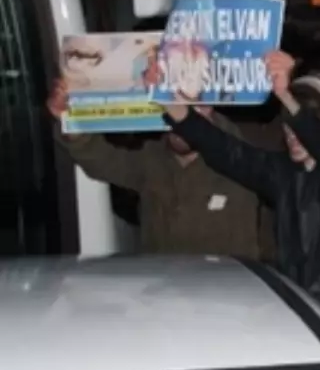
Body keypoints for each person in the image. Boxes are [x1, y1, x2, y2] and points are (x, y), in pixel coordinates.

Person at [161, 50, 320, 346]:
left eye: (299, 122)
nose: (290, 133)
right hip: (300, 325)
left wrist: (286, 94)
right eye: (286, 124)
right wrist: (173, 107)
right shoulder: (284, 174)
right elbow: (228, 152)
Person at [45, 79, 263, 258]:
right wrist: (69, 118)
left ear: (208, 109)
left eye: (189, 110)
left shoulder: (246, 160)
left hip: (229, 300)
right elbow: (102, 161)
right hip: (161, 297)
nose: (180, 121)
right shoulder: (152, 159)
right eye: (173, 107)